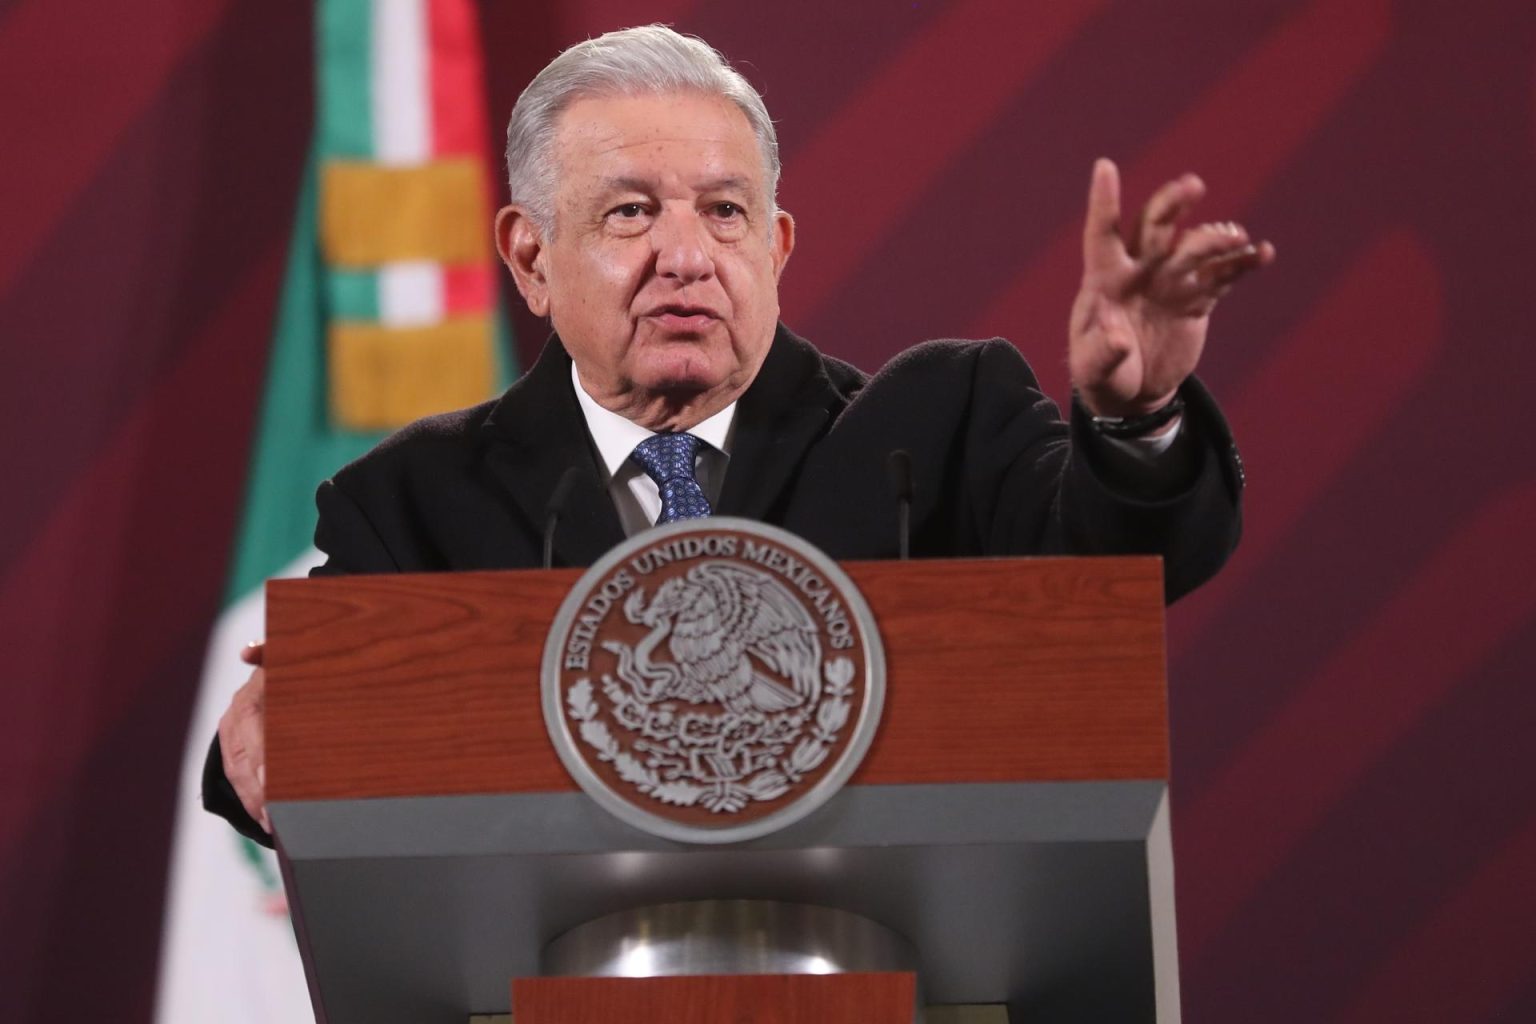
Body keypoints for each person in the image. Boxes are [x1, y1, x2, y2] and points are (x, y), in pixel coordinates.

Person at [206, 25, 1271, 844]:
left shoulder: (935, 432)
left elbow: (1123, 560)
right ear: (530, 258)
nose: (687, 254)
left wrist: (1136, 418)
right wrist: (265, 745)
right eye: (630, 212)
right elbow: (313, 746)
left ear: (777, 243)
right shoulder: (412, 502)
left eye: (725, 211)